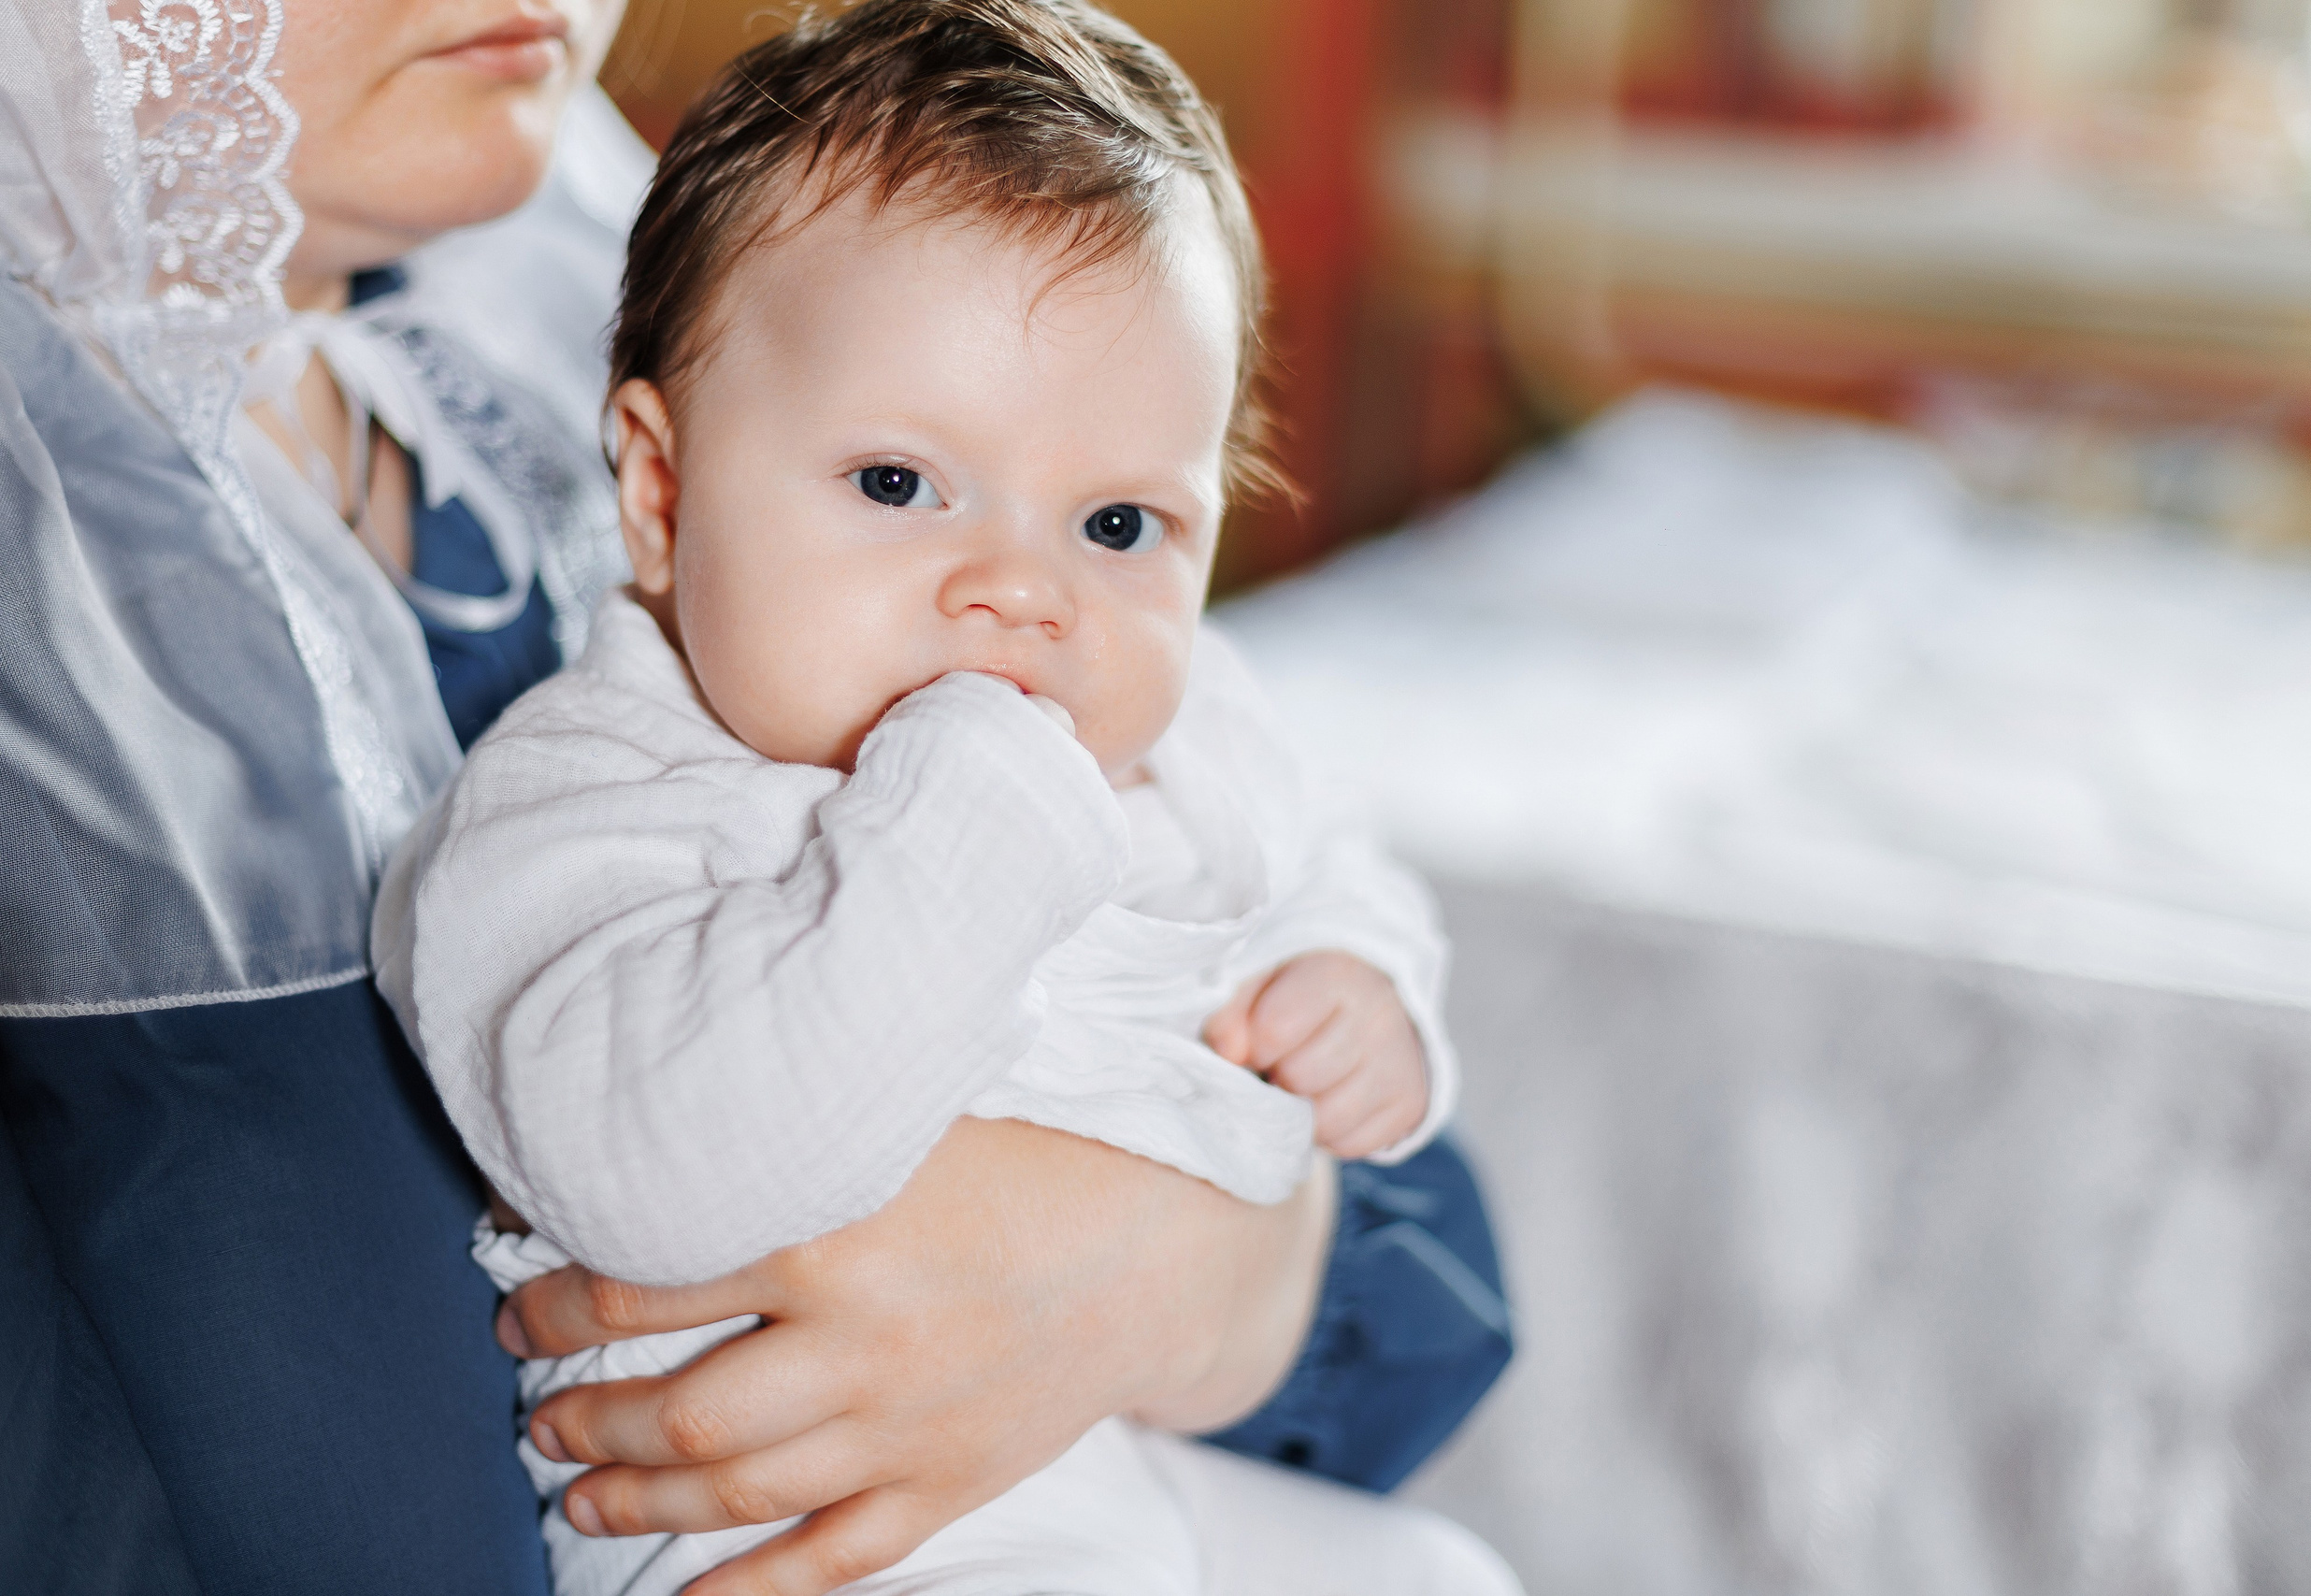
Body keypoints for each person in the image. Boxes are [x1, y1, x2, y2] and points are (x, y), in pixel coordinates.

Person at [0, 3, 1510, 1593]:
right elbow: (640, 1173)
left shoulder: (656, 276)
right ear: (658, 489)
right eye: (894, 488)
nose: (1025, 591)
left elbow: (1403, 1176)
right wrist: (985, 834)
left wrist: (1246, 1180)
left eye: (1125, 526)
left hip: (1107, 1466)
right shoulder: (604, 782)